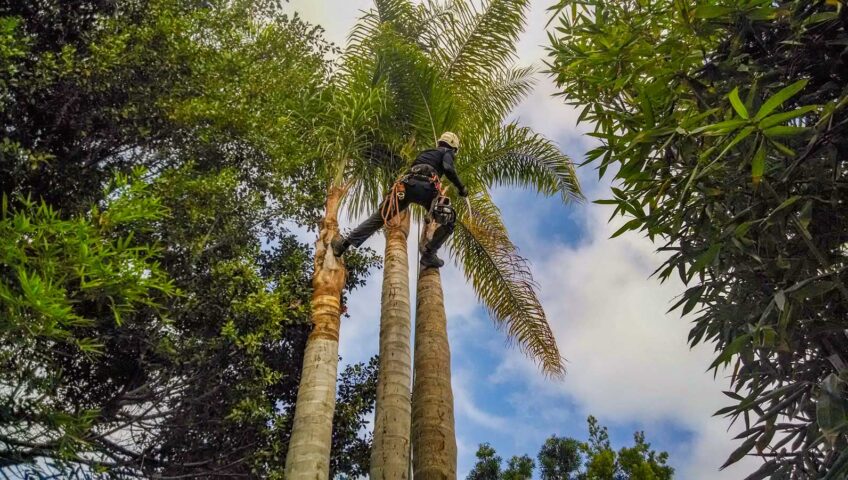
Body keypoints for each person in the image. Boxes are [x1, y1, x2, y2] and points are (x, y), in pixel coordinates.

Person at [331, 131, 468, 268]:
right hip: (427, 191)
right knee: (449, 221)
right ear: (453, 147)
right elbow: (448, 168)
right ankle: (429, 254)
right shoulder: (447, 152)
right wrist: (461, 188)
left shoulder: (425, 153)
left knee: (380, 217)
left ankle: (343, 245)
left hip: (406, 188)